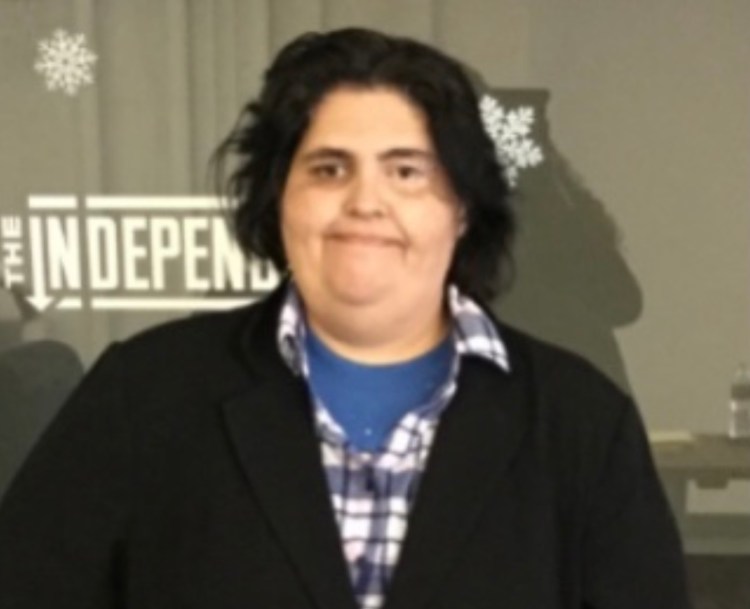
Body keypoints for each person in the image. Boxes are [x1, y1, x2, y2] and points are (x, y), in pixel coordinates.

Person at [0, 28, 691, 609]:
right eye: (329, 169)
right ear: (278, 198)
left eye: (407, 171)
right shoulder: (144, 393)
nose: (365, 201)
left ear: (462, 208)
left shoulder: (580, 422)